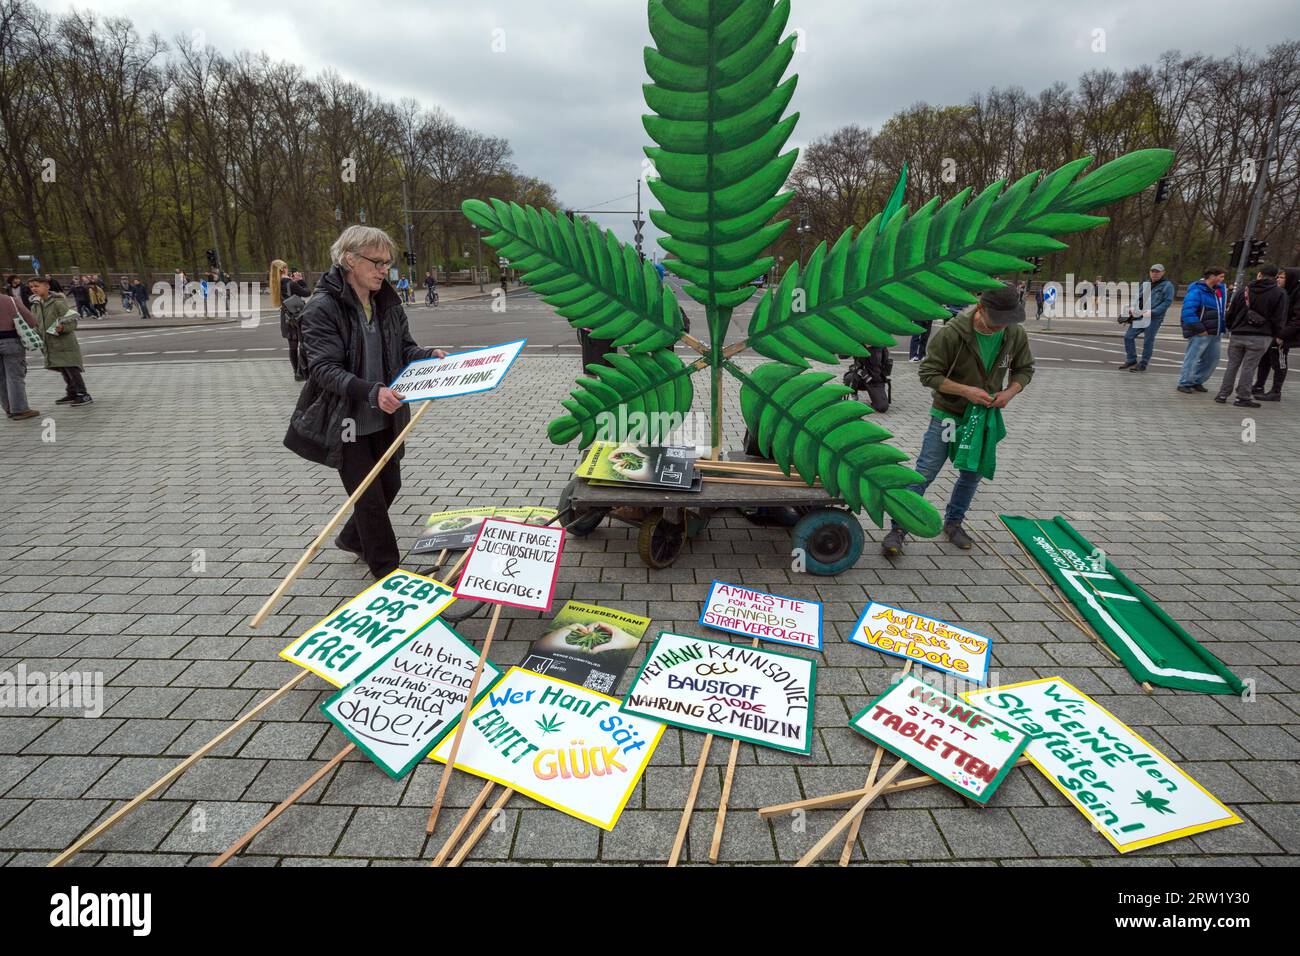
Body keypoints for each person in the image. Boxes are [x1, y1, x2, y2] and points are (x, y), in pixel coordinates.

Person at [284, 225, 447, 579]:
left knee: (390, 485)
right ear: (349, 260)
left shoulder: (386, 301)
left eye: (387, 263)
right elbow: (323, 370)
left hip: (386, 416)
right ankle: (388, 572)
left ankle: (351, 538)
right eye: (376, 263)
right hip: (346, 421)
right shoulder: (323, 308)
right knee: (369, 497)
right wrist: (371, 391)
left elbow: (403, 347)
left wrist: (426, 355)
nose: (383, 270)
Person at [881, 281, 1034, 556]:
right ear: (981, 307)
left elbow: (1025, 370)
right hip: (948, 414)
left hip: (983, 417)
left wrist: (1009, 392)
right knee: (925, 471)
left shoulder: (1014, 334)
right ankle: (899, 528)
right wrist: (966, 391)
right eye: (996, 319)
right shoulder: (953, 333)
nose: (1002, 326)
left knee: (972, 473)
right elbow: (928, 374)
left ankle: (954, 523)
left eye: (1007, 320)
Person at [1214, 265, 1288, 408]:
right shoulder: (1279, 293)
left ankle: (1223, 394)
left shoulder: (1244, 290)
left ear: (1259, 274)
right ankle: (1243, 396)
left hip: (1238, 333)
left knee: (1232, 365)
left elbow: (1231, 312)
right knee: (1249, 367)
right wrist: (1276, 333)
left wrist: (1232, 327)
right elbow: (1280, 317)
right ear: (1275, 276)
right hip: (1261, 336)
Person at [26, 275, 92, 406]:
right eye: (31, 287)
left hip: (64, 343)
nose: (34, 289)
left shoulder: (58, 303)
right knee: (63, 369)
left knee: (71, 368)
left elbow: (72, 321)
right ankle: (72, 393)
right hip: (50, 343)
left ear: (47, 286)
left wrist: (63, 327)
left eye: (37, 286)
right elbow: (36, 323)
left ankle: (83, 394)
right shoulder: (35, 305)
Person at [1176, 267, 1227, 394]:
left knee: (1212, 359)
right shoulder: (1197, 291)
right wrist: (1199, 329)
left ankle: (1196, 381)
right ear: (1212, 276)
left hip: (1215, 332)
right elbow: (1188, 312)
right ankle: (1185, 382)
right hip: (1201, 332)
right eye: (1220, 276)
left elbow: (1221, 311)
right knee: (1192, 358)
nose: (1222, 279)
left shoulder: (1219, 291)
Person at [1253, 268, 1300, 401]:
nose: (1278, 279)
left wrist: (1282, 335)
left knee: (1279, 361)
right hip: (1274, 331)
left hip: (1284, 334)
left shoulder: (1296, 293)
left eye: (1282, 277)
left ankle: (1276, 391)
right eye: (1277, 277)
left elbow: (1297, 319)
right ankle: (1259, 385)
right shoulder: (1284, 292)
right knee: (1265, 358)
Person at [1119, 264, 1174, 371]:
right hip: (1139, 316)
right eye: (1153, 271)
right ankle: (1131, 360)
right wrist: (1131, 308)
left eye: (1157, 272)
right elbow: (1137, 298)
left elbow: (1167, 302)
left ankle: (1143, 364)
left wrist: (1153, 312)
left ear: (1163, 273)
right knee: (1128, 336)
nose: (1155, 273)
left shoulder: (1167, 285)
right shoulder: (1145, 284)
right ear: (1149, 272)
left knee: (1148, 341)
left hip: (1154, 318)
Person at [0, 287, 39, 420]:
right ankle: (20, 409)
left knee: (1, 378)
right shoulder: (10, 300)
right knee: (15, 376)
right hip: (10, 341)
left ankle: (9, 408)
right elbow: (31, 321)